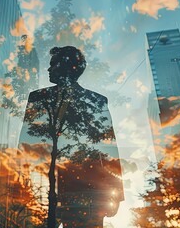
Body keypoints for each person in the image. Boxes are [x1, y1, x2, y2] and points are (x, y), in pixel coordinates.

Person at [19, 46, 123, 228]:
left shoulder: (97, 101)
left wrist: (116, 195)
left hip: (87, 191)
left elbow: (109, 149)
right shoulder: (37, 98)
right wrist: (19, 185)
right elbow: (24, 144)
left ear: (66, 66)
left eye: (53, 64)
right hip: (42, 187)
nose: (49, 69)